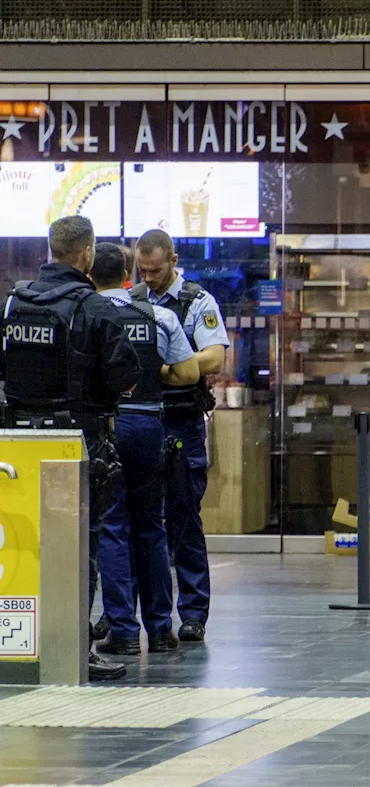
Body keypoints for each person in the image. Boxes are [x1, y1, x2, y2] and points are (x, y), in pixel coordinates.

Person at [0, 216, 141, 681]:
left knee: (23, 544)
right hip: (77, 442)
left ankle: (22, 640)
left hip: (18, 442)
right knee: (81, 547)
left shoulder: (14, 303)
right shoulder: (94, 309)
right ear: (86, 254)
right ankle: (76, 647)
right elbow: (125, 377)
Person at [90, 243, 200, 657]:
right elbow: (190, 373)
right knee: (152, 527)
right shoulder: (158, 315)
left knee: (114, 527)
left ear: (88, 274)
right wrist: (155, 374)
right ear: (127, 275)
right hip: (149, 424)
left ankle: (121, 629)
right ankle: (160, 630)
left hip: (108, 425)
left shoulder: (87, 313)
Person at [133, 228, 229, 642]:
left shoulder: (196, 301)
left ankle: (193, 612)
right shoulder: (131, 300)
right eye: (143, 270)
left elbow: (215, 358)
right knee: (140, 521)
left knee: (185, 519)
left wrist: (172, 363)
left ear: (173, 260)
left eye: (155, 270)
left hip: (180, 422)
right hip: (140, 419)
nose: (149, 278)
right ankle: (136, 611)